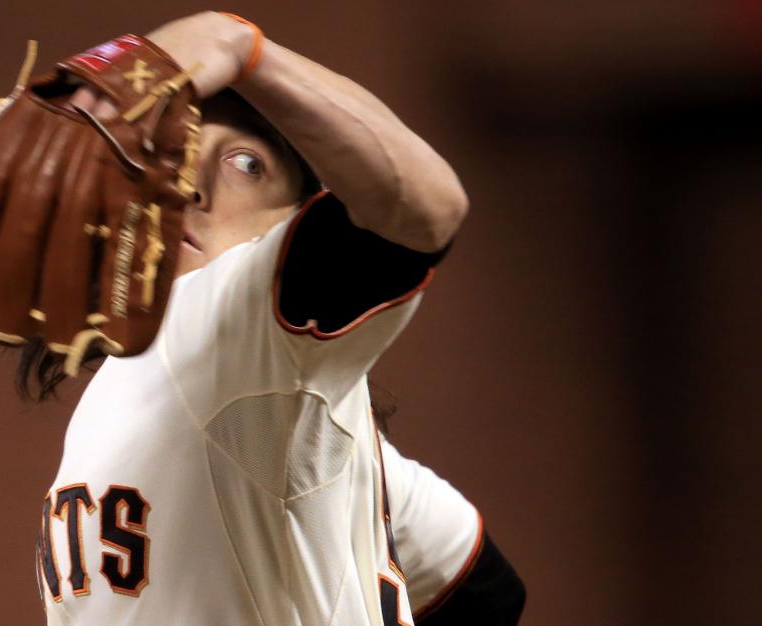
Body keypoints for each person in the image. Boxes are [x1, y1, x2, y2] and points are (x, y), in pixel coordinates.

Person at [26, 11, 525, 625]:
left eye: (244, 164)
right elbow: (482, 590)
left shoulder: (216, 327)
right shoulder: (305, 442)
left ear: (295, 227)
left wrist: (245, 49)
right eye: (168, 156)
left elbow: (426, 211)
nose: (190, 188)